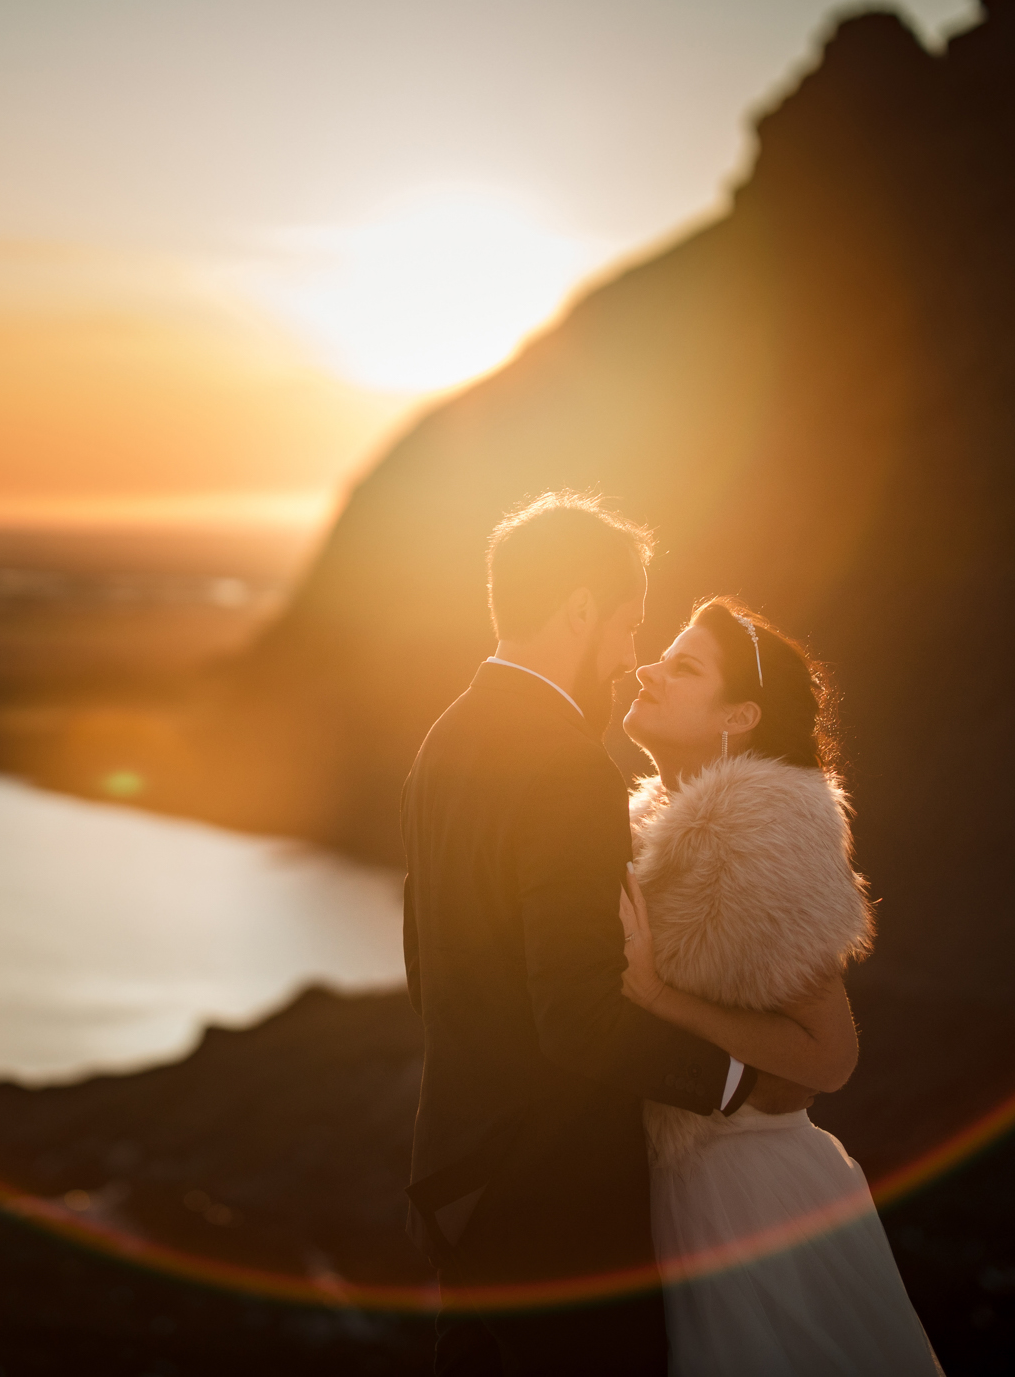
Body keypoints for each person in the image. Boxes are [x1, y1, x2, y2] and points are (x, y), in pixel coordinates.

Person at [401, 494, 813, 1375]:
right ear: (581, 608)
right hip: (552, 1206)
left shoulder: (446, 737)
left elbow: (424, 964)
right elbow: (577, 1018)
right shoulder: (567, 766)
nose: (631, 659)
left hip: (460, 1186)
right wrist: (738, 1078)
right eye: (629, 625)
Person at [618, 594, 941, 1374]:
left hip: (747, 1198)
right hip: (681, 1188)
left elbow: (828, 1056)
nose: (646, 669)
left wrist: (659, 995)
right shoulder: (658, 822)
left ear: (740, 716)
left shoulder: (763, 835)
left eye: (683, 666)